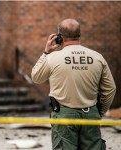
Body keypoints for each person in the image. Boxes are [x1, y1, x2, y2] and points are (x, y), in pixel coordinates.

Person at [31, 19, 116, 150]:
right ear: (79, 34)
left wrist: (46, 52)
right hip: (91, 113)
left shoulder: (53, 58)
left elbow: (36, 77)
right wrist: (100, 111)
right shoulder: (97, 57)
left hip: (64, 115)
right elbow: (110, 88)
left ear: (60, 37)